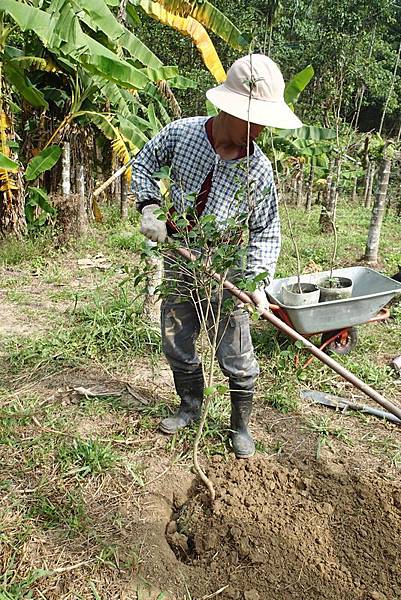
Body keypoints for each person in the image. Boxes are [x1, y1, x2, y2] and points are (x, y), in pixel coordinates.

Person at [132, 54, 302, 458]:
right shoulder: (183, 134)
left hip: (226, 265)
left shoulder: (258, 169)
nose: (261, 129)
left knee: (237, 354)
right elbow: (143, 163)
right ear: (228, 109)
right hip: (179, 254)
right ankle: (190, 406)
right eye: (256, 119)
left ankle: (240, 425)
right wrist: (149, 206)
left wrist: (257, 282)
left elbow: (266, 228)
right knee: (176, 340)